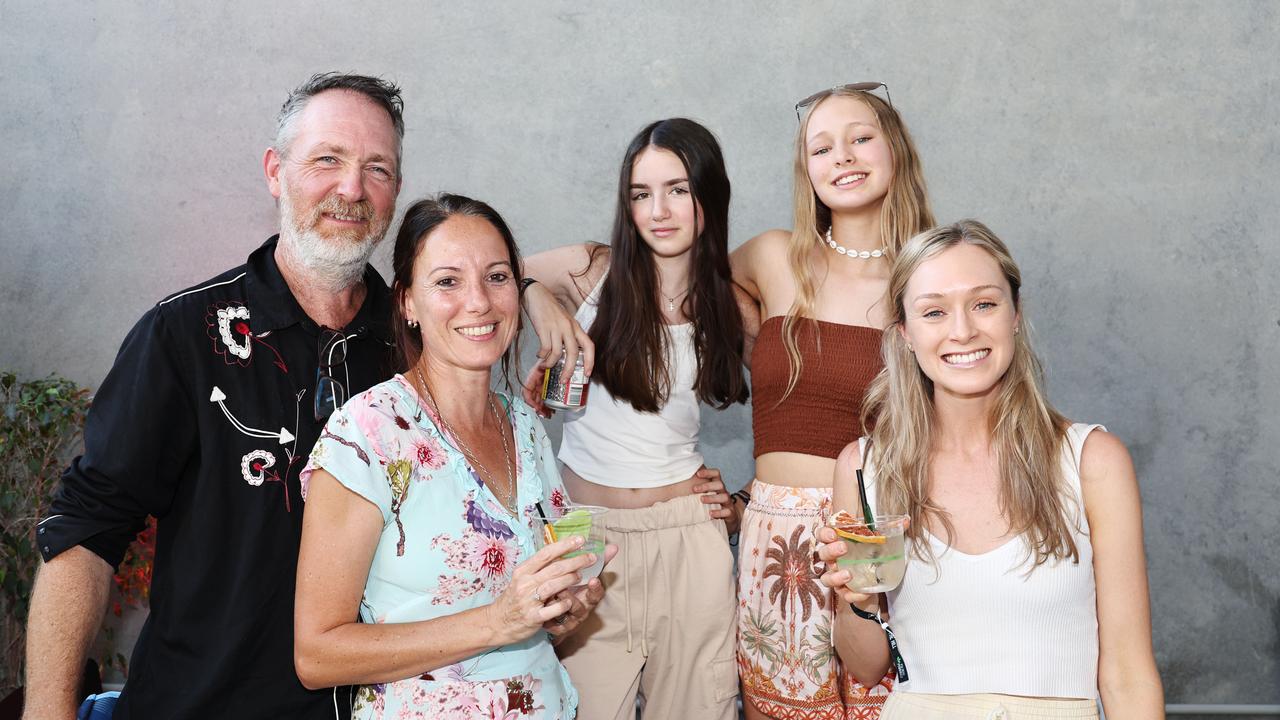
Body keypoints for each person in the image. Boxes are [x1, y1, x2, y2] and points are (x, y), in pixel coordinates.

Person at [23, 72, 407, 720]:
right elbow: (87, 531)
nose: (352, 189)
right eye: (328, 160)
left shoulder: (413, 346)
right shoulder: (183, 336)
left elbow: (494, 282)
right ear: (274, 172)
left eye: (378, 169)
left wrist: (539, 291)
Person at [815, 220, 1165, 718]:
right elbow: (866, 666)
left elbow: (1129, 675)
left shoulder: (1093, 461)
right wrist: (860, 602)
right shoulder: (865, 468)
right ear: (905, 334)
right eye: (934, 311)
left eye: (984, 304)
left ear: (1016, 314)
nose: (962, 331)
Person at [295, 194, 614, 719]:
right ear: (407, 303)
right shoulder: (368, 434)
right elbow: (316, 654)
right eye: (447, 282)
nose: (479, 303)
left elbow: (543, 593)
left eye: (497, 277)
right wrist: (498, 621)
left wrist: (565, 608)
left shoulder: (527, 427)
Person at [519, 118, 754, 719]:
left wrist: (749, 501)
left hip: (688, 541)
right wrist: (541, 304)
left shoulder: (728, 303)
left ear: (709, 194)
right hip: (590, 543)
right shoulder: (591, 271)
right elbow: (503, 270)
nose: (659, 209)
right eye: (641, 194)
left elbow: (800, 391)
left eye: (677, 189)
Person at [728, 83, 935, 720]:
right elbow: (676, 277)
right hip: (776, 544)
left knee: (889, 705)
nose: (841, 156)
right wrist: (764, 350)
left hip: (883, 529)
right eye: (821, 147)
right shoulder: (772, 257)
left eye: (860, 138)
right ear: (806, 169)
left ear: (895, 149)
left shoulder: (927, 274)